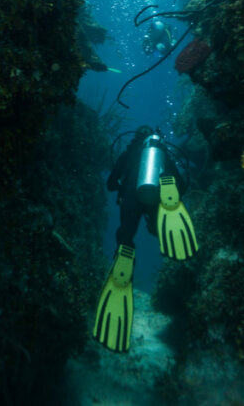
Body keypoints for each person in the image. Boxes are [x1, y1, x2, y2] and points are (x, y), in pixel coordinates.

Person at [92, 126, 199, 353]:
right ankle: (164, 208)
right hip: (155, 195)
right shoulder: (161, 153)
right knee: (164, 199)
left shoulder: (129, 153)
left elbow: (110, 184)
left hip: (131, 196)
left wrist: (122, 184)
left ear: (136, 138)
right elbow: (182, 186)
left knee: (125, 237)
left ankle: (123, 261)